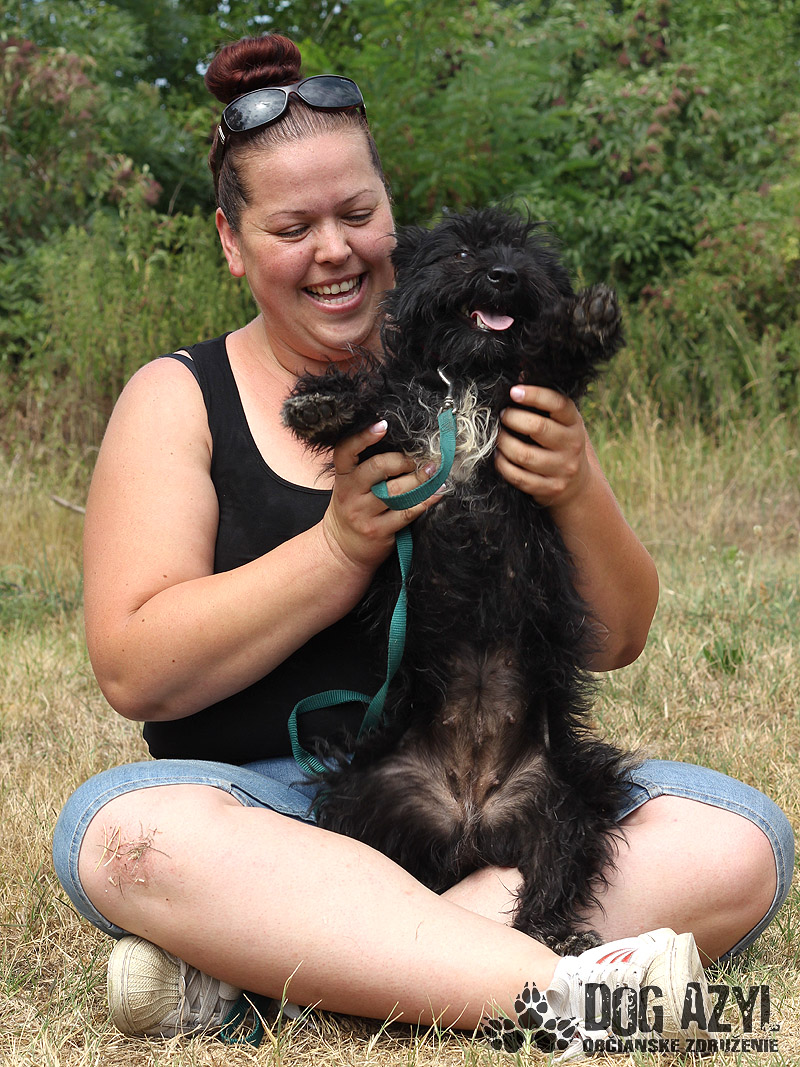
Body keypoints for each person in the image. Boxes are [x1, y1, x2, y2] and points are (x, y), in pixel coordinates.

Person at [52, 32, 792, 1055]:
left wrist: (576, 485)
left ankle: (285, 976)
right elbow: (136, 669)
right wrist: (336, 548)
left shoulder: (488, 365)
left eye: (357, 213)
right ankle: (561, 988)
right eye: (291, 226)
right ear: (231, 240)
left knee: (739, 836)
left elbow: (616, 635)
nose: (334, 250)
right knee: (125, 829)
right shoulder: (178, 396)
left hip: (495, 804)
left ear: (391, 211)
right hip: (272, 819)